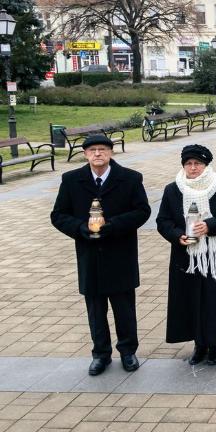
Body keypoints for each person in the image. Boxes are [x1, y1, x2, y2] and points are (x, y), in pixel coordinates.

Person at [50, 134, 150, 376]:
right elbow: (59, 215)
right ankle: (100, 354)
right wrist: (81, 228)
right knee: (95, 309)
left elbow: (142, 211)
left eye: (103, 149)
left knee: (124, 308)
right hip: (89, 255)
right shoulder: (72, 180)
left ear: (111, 153)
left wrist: (113, 225)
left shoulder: (130, 178)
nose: (97, 154)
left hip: (120, 254)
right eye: (92, 150)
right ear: (85, 154)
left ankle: (128, 351)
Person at [156, 145, 216, 366]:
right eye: (188, 164)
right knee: (191, 299)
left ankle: (215, 345)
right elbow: (163, 221)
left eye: (197, 164)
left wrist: (210, 225)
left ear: (206, 166)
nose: (193, 168)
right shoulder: (172, 190)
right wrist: (177, 236)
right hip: (185, 256)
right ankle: (199, 344)